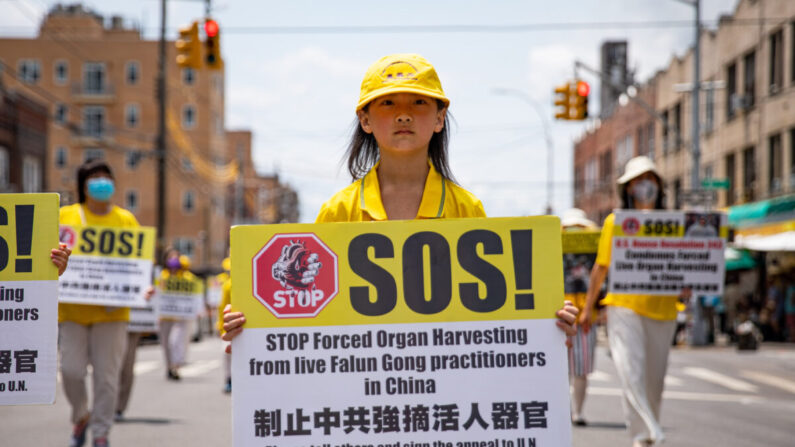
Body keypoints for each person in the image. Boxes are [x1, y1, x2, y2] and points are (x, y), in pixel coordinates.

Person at [222, 53, 578, 348]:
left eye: (419, 102)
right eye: (388, 103)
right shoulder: (338, 211)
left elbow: (495, 318)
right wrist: (251, 330)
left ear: (440, 118)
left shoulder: (466, 209)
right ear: (365, 119)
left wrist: (546, 326)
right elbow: (309, 309)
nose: (403, 114)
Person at [579, 156, 690, 447]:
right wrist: (588, 308)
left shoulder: (676, 225)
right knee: (630, 371)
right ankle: (644, 434)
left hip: (664, 312)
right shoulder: (615, 223)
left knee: (654, 382)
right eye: (638, 181)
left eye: (650, 180)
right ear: (628, 188)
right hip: (623, 309)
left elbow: (683, 268)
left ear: (659, 186)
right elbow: (600, 268)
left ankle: (649, 431)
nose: (645, 186)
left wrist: (688, 287)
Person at [59, 159, 140, 447]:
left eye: (107, 176)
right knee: (70, 370)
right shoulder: (64, 216)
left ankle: (101, 433)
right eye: (95, 177)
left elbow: (138, 264)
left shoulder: (126, 220)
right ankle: (81, 415)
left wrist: (143, 288)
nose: (102, 182)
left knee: (107, 377)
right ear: (83, 185)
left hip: (113, 312)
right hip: (71, 310)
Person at [560, 208, 599, 426]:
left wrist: (595, 310)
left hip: (585, 316)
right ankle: (563, 409)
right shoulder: (552, 247)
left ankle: (578, 411)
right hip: (559, 315)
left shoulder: (595, 250)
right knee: (559, 369)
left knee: (581, 369)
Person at [158, 248, 197, 380]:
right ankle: (169, 367)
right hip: (165, 316)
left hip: (180, 316)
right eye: (170, 257)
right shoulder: (162, 276)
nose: (173, 260)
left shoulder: (186, 277)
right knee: (165, 343)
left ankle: (175, 365)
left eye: (176, 257)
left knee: (175, 341)